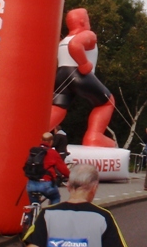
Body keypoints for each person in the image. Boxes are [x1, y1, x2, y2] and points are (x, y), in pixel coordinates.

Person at [49, 8, 116, 148]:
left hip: (61, 74)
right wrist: (84, 64)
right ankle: (94, 136)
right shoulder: (88, 34)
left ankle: (38, 132)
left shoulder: (62, 41)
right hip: (78, 74)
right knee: (107, 102)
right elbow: (75, 45)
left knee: (58, 106)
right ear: (82, 21)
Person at [27, 132, 71, 207]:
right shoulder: (53, 153)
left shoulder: (33, 151)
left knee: (33, 205)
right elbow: (63, 169)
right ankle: (51, 214)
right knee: (55, 198)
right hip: (46, 184)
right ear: (51, 142)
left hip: (31, 184)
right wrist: (70, 176)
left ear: (41, 140)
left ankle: (30, 217)